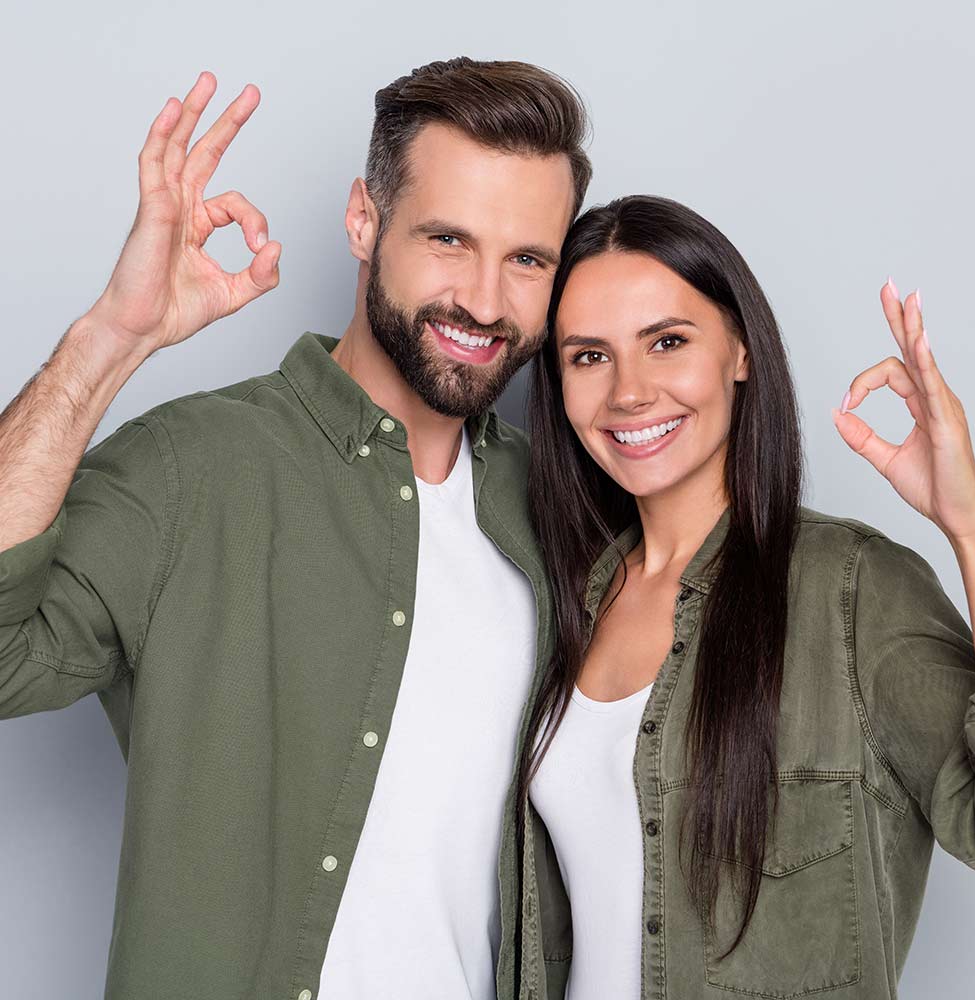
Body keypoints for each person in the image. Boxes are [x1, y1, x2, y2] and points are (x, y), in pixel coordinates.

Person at [0, 58, 592, 999]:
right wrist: (110, 338)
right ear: (364, 220)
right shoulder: (192, 466)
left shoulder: (562, 515)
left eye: (528, 259)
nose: (486, 301)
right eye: (448, 239)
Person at [514, 194, 975, 1000]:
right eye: (589, 356)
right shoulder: (567, 595)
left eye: (666, 342)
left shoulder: (853, 589)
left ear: (740, 349)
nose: (629, 392)